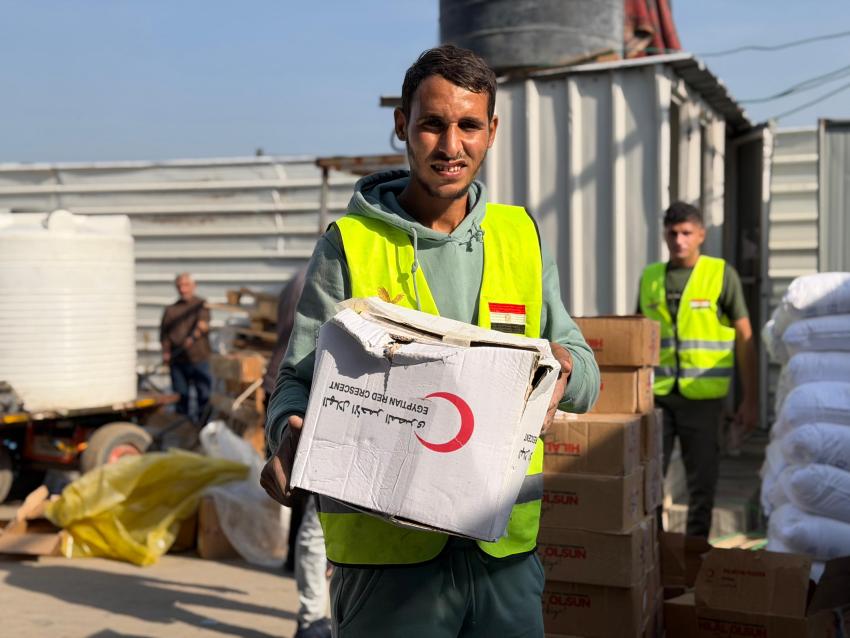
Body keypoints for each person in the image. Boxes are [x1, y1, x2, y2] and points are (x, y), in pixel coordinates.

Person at [260, 44, 599, 638]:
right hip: (388, 565)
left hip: (502, 559)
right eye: (432, 124)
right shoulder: (350, 244)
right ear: (402, 125)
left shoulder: (521, 237)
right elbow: (296, 379)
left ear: (492, 131)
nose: (451, 145)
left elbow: (584, 372)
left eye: (469, 125)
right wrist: (284, 431)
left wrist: (565, 367)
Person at [638, 201, 757, 538]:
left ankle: (695, 555)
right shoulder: (650, 278)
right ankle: (655, 551)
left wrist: (750, 400)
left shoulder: (720, 274)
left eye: (686, 233)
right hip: (658, 398)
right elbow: (637, 338)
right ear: (664, 235)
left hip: (703, 401)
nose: (679, 240)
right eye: (672, 233)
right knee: (650, 480)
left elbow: (745, 337)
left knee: (702, 484)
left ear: (701, 235)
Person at [160, 273, 211, 424]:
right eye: (179, 286)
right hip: (178, 361)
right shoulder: (171, 310)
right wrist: (166, 353)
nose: (183, 289)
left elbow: (203, 325)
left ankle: (202, 426)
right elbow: (164, 334)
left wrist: (192, 338)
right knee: (181, 396)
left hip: (199, 359)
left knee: (204, 395)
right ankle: (184, 427)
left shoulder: (201, 304)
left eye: (186, 285)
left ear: (193, 286)